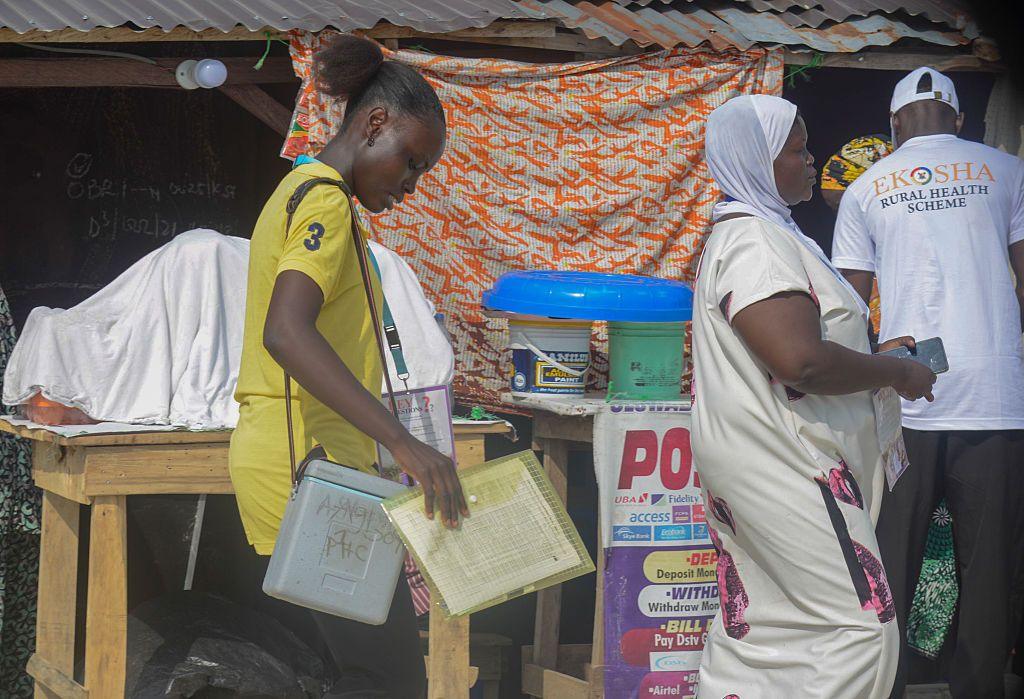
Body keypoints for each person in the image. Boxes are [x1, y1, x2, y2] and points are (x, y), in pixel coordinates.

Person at [229, 35, 466, 698]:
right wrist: (404, 442)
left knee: (357, 675)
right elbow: (286, 331)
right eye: (410, 163)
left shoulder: (306, 193)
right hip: (307, 473)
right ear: (375, 124)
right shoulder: (326, 202)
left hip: (319, 471)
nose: (410, 185)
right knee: (386, 680)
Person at [692, 94, 936, 698]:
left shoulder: (762, 234)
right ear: (757, 161)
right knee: (861, 628)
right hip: (786, 462)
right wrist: (894, 372)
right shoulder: (756, 243)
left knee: (769, 621)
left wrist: (880, 352)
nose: (810, 162)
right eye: (797, 151)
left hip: (759, 457)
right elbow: (798, 360)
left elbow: (807, 338)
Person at [832, 66, 1024, 699]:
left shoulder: (864, 188)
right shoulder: (1008, 171)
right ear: (959, 119)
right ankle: (978, 689)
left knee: (891, 557)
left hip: (902, 401)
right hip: (997, 400)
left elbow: (847, 311)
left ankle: (885, 683)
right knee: (989, 565)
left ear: (893, 127)